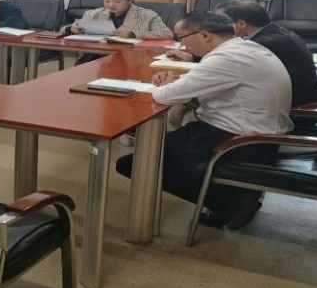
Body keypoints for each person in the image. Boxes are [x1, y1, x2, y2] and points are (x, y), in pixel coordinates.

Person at [116, 12, 293, 230]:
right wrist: (175, 81)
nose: (182, 45)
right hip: (257, 134)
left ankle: (231, 203)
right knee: (163, 145)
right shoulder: (245, 48)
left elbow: (165, 96)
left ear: (205, 35)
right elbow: (204, 81)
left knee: (137, 162)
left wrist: (167, 86)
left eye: (182, 38)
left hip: (237, 141)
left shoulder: (226, 59)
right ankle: (235, 197)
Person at [164, 0, 317, 109]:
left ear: (240, 24)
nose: (215, 26)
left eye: (221, 22)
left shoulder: (260, 45)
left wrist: (176, 80)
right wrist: (194, 58)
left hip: (294, 110)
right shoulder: (274, 33)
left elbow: (221, 68)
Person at [64, 0, 172, 39]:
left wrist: (133, 34)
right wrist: (70, 29)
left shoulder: (147, 15)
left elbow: (167, 34)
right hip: (97, 53)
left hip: (131, 56)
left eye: (117, 1)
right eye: (107, 1)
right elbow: (63, 30)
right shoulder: (93, 13)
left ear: (130, 0)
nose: (111, 5)